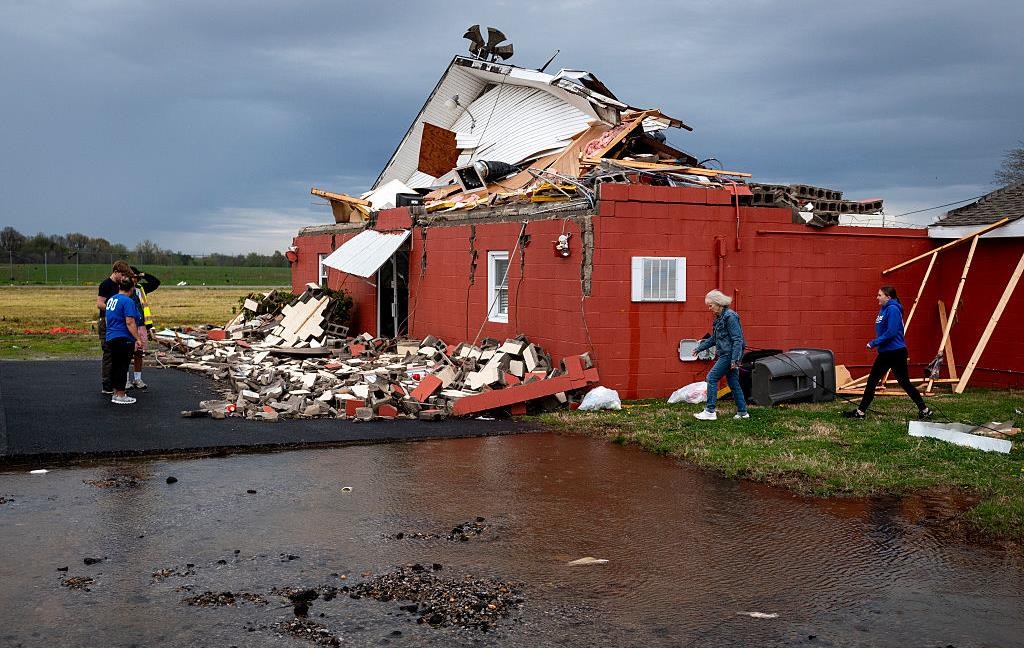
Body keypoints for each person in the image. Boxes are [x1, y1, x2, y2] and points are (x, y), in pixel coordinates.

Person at [844, 286, 932, 420]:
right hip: (886, 352)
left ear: (888, 297)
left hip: (895, 352)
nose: (877, 297)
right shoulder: (884, 309)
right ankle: (860, 412)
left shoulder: (893, 309)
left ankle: (924, 410)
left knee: (903, 383)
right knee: (873, 381)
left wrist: (874, 342)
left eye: (880, 295)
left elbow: (891, 332)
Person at [692, 289, 749, 420]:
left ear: (718, 303)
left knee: (711, 378)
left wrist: (735, 360)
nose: (709, 308)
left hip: (729, 355)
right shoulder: (719, 318)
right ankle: (743, 412)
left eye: (710, 305)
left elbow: (738, 339)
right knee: (733, 383)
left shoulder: (730, 316)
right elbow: (714, 339)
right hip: (726, 354)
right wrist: (700, 348)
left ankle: (710, 411)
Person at [105, 276, 144, 405]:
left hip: (111, 335)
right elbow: (129, 321)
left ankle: (116, 392)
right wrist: (137, 338)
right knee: (122, 366)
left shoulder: (112, 299)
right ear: (132, 288)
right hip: (123, 337)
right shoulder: (127, 301)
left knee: (115, 365)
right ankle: (121, 394)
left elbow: (107, 319)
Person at [96, 260, 132, 394]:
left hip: (118, 323)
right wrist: (113, 309)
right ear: (115, 272)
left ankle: (118, 384)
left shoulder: (120, 285)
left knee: (119, 354)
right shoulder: (106, 285)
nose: (123, 278)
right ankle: (107, 384)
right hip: (106, 321)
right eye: (122, 274)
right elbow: (99, 303)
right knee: (108, 353)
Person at [126, 266, 160, 390]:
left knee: (139, 353)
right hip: (128, 325)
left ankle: (137, 378)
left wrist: (143, 274)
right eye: (131, 277)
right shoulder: (121, 289)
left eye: (135, 277)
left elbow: (156, 282)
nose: (134, 280)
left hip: (141, 325)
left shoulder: (141, 289)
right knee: (127, 354)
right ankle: (125, 380)